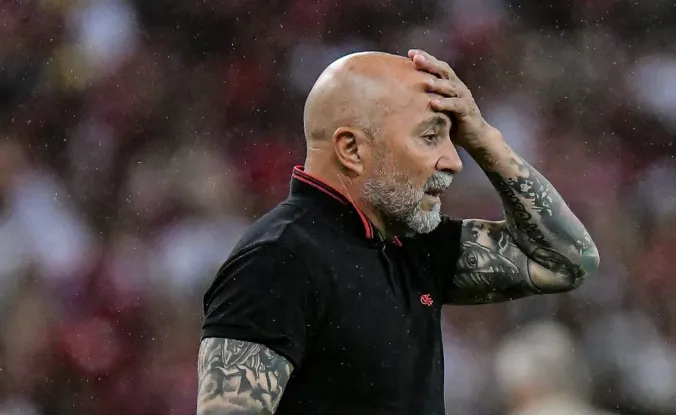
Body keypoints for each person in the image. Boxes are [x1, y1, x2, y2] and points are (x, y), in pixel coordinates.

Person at [197, 49, 600, 415]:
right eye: (430, 137)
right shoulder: (277, 260)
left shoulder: (413, 244)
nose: (453, 161)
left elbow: (568, 261)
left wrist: (484, 139)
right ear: (352, 149)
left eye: (453, 137)